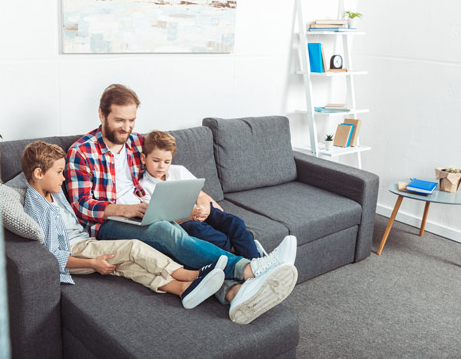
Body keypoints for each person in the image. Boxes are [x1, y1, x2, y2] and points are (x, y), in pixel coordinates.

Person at [66, 83, 298, 324]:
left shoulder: (138, 143)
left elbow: (168, 169)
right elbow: (82, 205)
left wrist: (198, 200)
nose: (126, 127)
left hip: (146, 212)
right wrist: (128, 210)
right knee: (165, 231)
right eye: (119, 120)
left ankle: (234, 292)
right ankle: (250, 269)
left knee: (180, 240)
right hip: (106, 225)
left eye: (131, 120)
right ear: (102, 114)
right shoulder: (81, 152)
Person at [22, 140, 227, 310]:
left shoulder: (51, 193)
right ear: (39, 174)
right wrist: (92, 263)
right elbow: (53, 255)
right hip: (75, 252)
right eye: (59, 172)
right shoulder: (38, 208)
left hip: (83, 242)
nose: (64, 178)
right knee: (132, 247)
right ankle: (192, 274)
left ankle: (183, 289)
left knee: (129, 266)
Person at [139, 130, 264, 260]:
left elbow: (201, 196)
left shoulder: (179, 171)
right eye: (156, 160)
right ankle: (245, 254)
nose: (161, 166)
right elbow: (157, 220)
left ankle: (256, 260)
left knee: (235, 222)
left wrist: (204, 208)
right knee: (198, 230)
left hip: (201, 211)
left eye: (166, 162)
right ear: (144, 158)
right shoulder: (143, 186)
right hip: (182, 223)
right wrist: (189, 215)